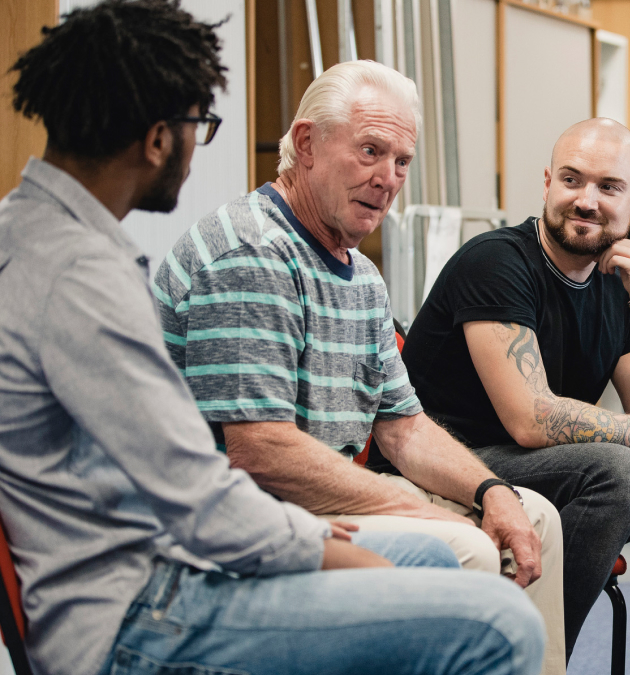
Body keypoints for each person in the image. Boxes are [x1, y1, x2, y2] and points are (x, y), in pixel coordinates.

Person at [0, 3, 544, 675]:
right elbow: (203, 489)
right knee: (499, 620)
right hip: (141, 602)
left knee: (433, 558)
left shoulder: (36, 234)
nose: (201, 150)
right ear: (157, 140)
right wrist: (338, 552)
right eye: (200, 125)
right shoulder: (82, 276)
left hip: (167, 560)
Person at [152, 59, 566, 674]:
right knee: (468, 551)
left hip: (322, 493)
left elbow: (404, 426)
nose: (388, 178)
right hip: (253, 513)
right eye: (370, 151)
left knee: (534, 518)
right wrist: (415, 511)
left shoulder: (361, 274)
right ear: (306, 145)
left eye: (401, 161)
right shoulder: (253, 255)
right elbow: (260, 452)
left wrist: (490, 491)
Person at [401, 117, 630, 674]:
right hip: (454, 466)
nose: (586, 200)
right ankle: (530, 662)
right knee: (616, 470)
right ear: (546, 184)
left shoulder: (614, 280)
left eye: (608, 187)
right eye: (572, 180)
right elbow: (529, 419)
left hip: (545, 472)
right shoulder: (496, 261)